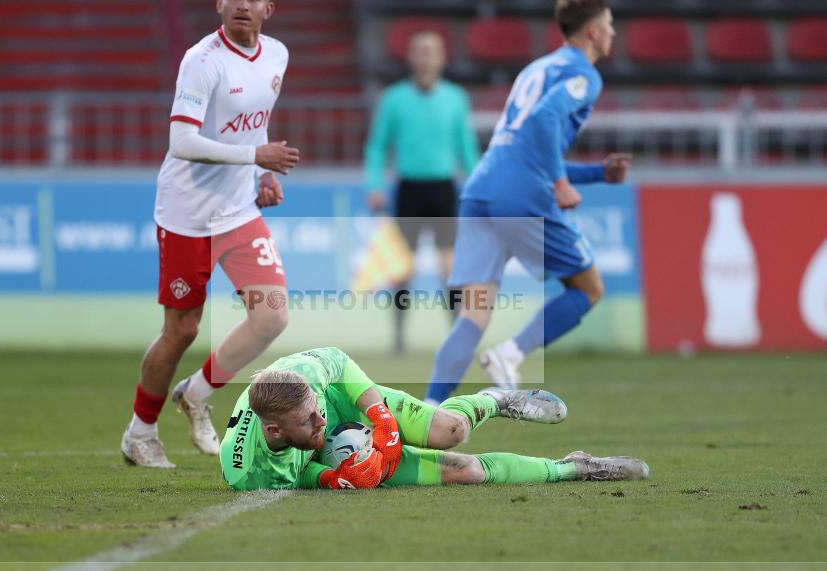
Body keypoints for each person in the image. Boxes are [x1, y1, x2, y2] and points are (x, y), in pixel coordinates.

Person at [121, 0, 300, 468]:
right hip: (187, 215)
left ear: (269, 9)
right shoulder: (202, 60)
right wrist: (255, 158)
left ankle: (196, 394)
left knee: (271, 317)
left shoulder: (277, 55)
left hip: (238, 209)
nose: (242, 4)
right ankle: (140, 434)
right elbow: (181, 141)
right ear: (219, 5)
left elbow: (253, 123)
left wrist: (259, 173)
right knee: (181, 331)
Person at [425, 0, 632, 403]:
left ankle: (427, 409)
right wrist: (558, 182)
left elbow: (525, 147)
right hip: (522, 198)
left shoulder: (536, 68)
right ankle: (511, 353)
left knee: (473, 314)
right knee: (588, 289)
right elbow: (545, 121)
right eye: (609, 23)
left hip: (482, 191)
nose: (613, 32)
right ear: (592, 31)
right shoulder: (584, 75)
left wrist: (596, 175)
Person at [220, 347, 649, 490]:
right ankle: (577, 466)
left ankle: (495, 400)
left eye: (317, 412)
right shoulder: (248, 473)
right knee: (468, 473)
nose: (320, 422)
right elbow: (297, 474)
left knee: (451, 432)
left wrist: (382, 421)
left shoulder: (304, 379)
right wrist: (332, 478)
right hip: (333, 460)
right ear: (274, 431)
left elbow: (339, 362)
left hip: (348, 402)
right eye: (309, 422)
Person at [363, 30, 480, 354]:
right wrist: (374, 185)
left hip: (443, 189)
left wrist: (478, 184)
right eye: (421, 51)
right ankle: (399, 339)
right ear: (411, 58)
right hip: (409, 189)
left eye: (433, 51)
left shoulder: (456, 98)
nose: (427, 57)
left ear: (442, 57)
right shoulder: (393, 99)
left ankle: (456, 339)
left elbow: (466, 148)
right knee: (403, 270)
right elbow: (377, 146)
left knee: (450, 268)